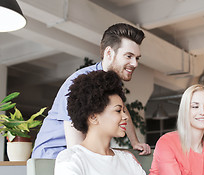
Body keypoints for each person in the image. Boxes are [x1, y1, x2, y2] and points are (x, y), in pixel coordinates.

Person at [54, 70, 204, 175]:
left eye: (123, 110)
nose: (125, 117)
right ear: (94, 117)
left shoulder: (126, 159)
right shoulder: (69, 159)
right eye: (118, 111)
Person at [32, 23, 151, 159]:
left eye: (137, 58)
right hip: (52, 156)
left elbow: (123, 110)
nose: (135, 63)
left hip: (75, 156)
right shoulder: (80, 83)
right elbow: (75, 148)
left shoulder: (110, 83)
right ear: (109, 53)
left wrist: (135, 142)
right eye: (129, 56)